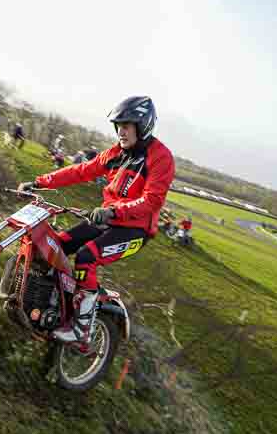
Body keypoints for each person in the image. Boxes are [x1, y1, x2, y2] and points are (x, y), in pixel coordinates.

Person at [18, 96, 175, 343]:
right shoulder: (116, 153)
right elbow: (81, 170)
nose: (120, 131)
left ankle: (81, 328)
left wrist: (114, 211)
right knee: (52, 247)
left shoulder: (160, 157)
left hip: (135, 229)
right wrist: (40, 182)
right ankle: (47, 302)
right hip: (107, 219)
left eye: (126, 126)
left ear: (143, 125)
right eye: (118, 126)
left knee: (86, 257)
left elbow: (152, 201)